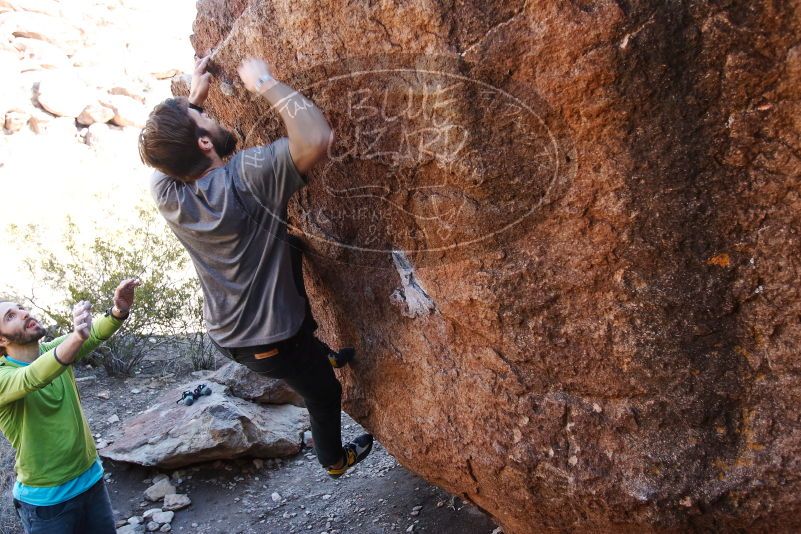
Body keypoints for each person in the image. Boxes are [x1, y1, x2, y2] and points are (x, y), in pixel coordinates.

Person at [138, 56, 372, 478]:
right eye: (204, 117)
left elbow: (165, 154)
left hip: (227, 331)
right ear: (204, 145)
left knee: (290, 250)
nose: (209, 115)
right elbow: (316, 137)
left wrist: (192, 102)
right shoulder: (248, 178)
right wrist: (264, 81)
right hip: (272, 341)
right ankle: (334, 461)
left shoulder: (169, 194)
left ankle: (321, 354)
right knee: (323, 393)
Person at [0, 278, 140, 534]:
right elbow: (32, 377)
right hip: (47, 504)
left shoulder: (51, 350)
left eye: (20, 307)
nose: (24, 313)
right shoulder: (3, 377)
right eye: (10, 316)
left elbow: (95, 332)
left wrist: (119, 310)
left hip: (91, 482)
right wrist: (75, 338)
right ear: (1, 340)